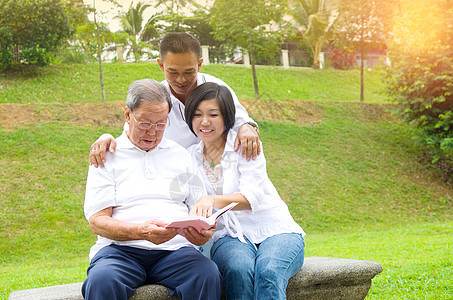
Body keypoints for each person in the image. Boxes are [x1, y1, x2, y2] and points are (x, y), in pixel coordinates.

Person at [82, 79, 221, 300]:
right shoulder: (106, 155)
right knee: (102, 280)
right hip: (120, 252)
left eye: (161, 124)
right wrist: (141, 232)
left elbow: (198, 208)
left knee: (206, 274)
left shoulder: (179, 155)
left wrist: (202, 233)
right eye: (145, 123)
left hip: (175, 251)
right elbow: (97, 221)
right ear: (128, 115)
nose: (153, 133)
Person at [185, 82, 306, 300]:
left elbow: (253, 197)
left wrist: (211, 199)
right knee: (238, 270)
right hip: (229, 235)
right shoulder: (188, 157)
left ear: (227, 118)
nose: (204, 122)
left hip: (276, 229)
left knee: (269, 271)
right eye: (197, 115)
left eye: (213, 114)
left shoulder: (245, 144)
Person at [90, 32, 260, 167]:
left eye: (188, 72)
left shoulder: (217, 88)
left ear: (199, 65)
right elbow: (132, 134)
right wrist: (106, 138)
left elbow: (243, 122)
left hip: (216, 170)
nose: (181, 80)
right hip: (173, 173)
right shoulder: (154, 96)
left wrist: (247, 128)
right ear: (161, 65)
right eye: (172, 72)